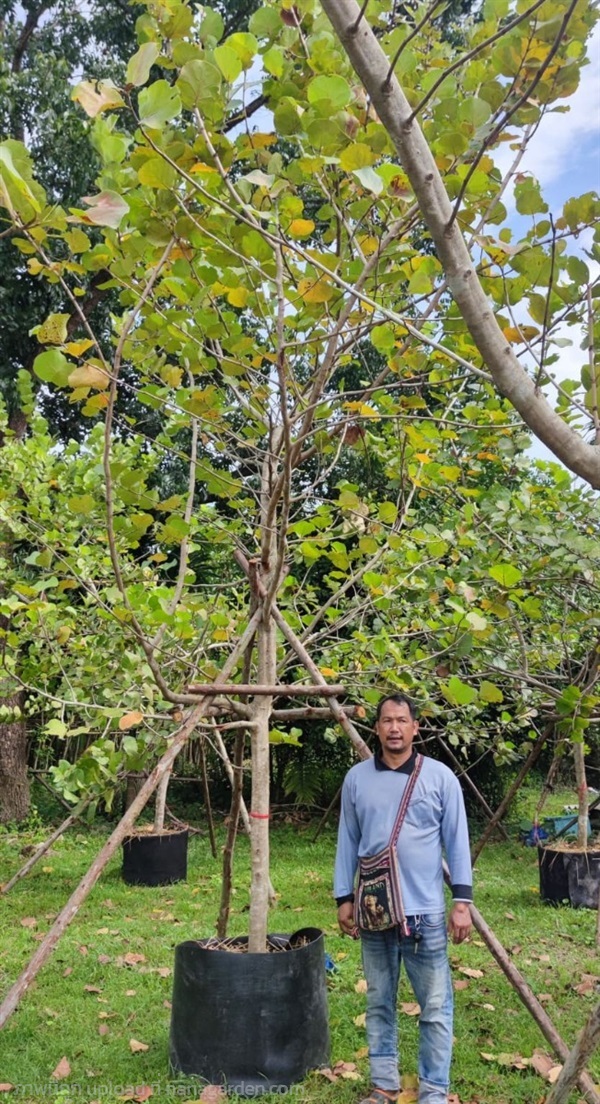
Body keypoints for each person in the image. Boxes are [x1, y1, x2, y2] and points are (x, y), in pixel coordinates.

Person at [334, 693, 473, 1104]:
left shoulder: (441, 778)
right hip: (376, 912)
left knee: (434, 1008)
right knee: (379, 1001)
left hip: (425, 914)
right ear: (376, 728)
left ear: (415, 728)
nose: (394, 728)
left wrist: (461, 901)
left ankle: (433, 1091)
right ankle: (383, 1086)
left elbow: (457, 841)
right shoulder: (356, 779)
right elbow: (347, 840)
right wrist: (344, 896)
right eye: (386, 721)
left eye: (402, 720)